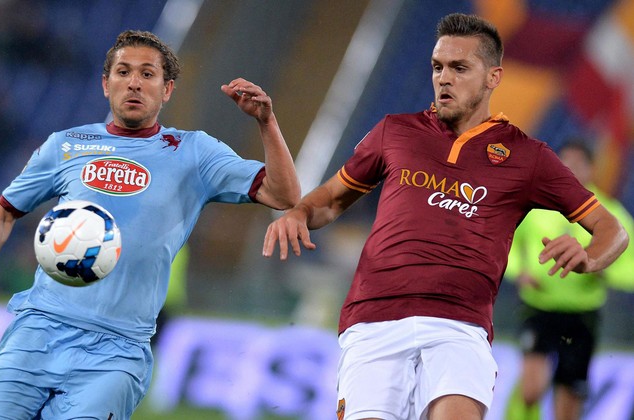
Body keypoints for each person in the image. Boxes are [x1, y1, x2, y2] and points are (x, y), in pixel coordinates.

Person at [262, 13, 629, 420]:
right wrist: (299, 212)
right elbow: (330, 200)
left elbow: (611, 230)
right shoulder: (394, 132)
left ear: (493, 77)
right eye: (438, 67)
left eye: (459, 68)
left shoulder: (528, 156)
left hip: (460, 326)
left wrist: (590, 255)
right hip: (374, 319)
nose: (444, 78)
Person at [0, 29, 300, 419]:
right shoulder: (66, 145)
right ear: (106, 84)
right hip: (38, 331)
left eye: (147, 74)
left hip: (117, 350)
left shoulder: (194, 152)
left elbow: (284, 195)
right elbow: (3, 210)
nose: (134, 82)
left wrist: (266, 123)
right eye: (123, 72)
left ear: (167, 89)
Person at [503, 140, 634, 420]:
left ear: (591, 168)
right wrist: (519, 270)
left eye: (578, 163)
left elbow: (629, 266)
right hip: (539, 307)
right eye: (565, 162)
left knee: (569, 397)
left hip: (581, 314)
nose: (571, 169)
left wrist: (602, 267)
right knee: (530, 389)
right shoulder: (535, 207)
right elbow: (506, 243)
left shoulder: (610, 217)